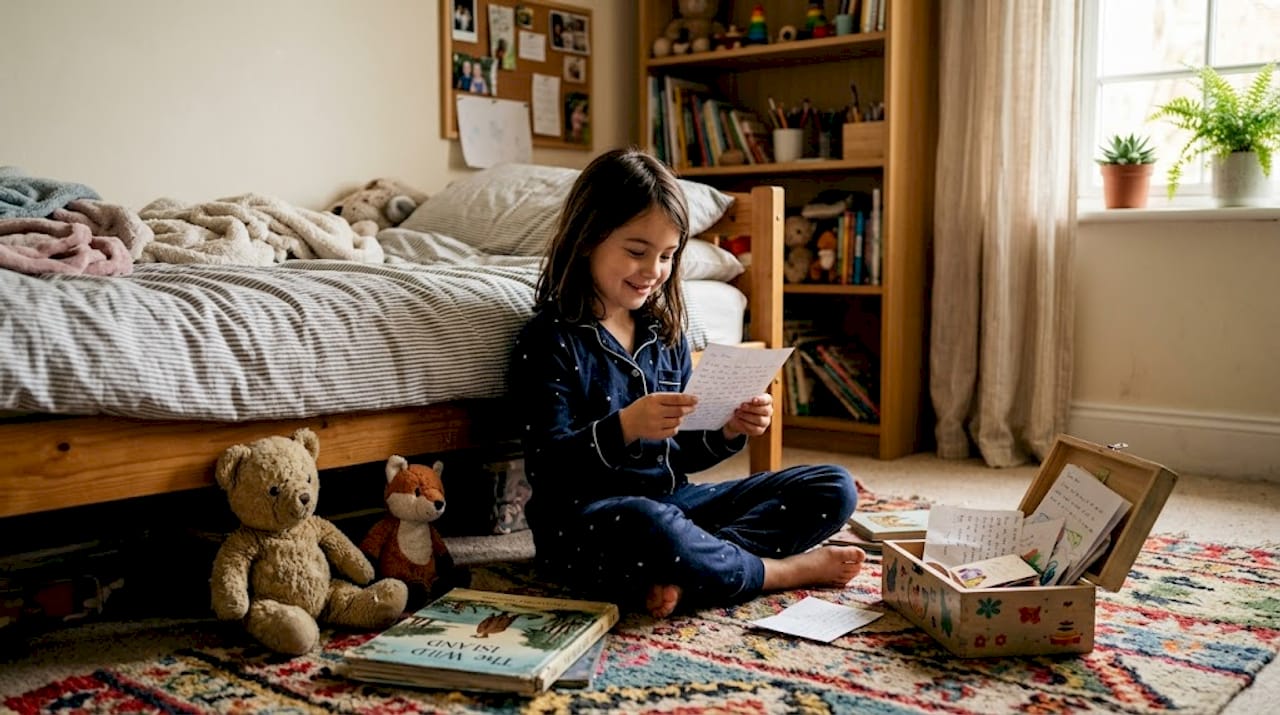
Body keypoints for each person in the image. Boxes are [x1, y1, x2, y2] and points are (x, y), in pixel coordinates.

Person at [508, 148, 863, 618]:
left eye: (668, 256)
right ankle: (775, 571)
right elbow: (549, 467)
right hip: (589, 524)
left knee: (834, 487)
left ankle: (690, 572)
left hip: (674, 504)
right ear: (589, 237)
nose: (654, 271)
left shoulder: (664, 334)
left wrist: (730, 430)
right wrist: (626, 426)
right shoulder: (548, 340)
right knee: (648, 524)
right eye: (637, 252)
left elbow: (683, 454)